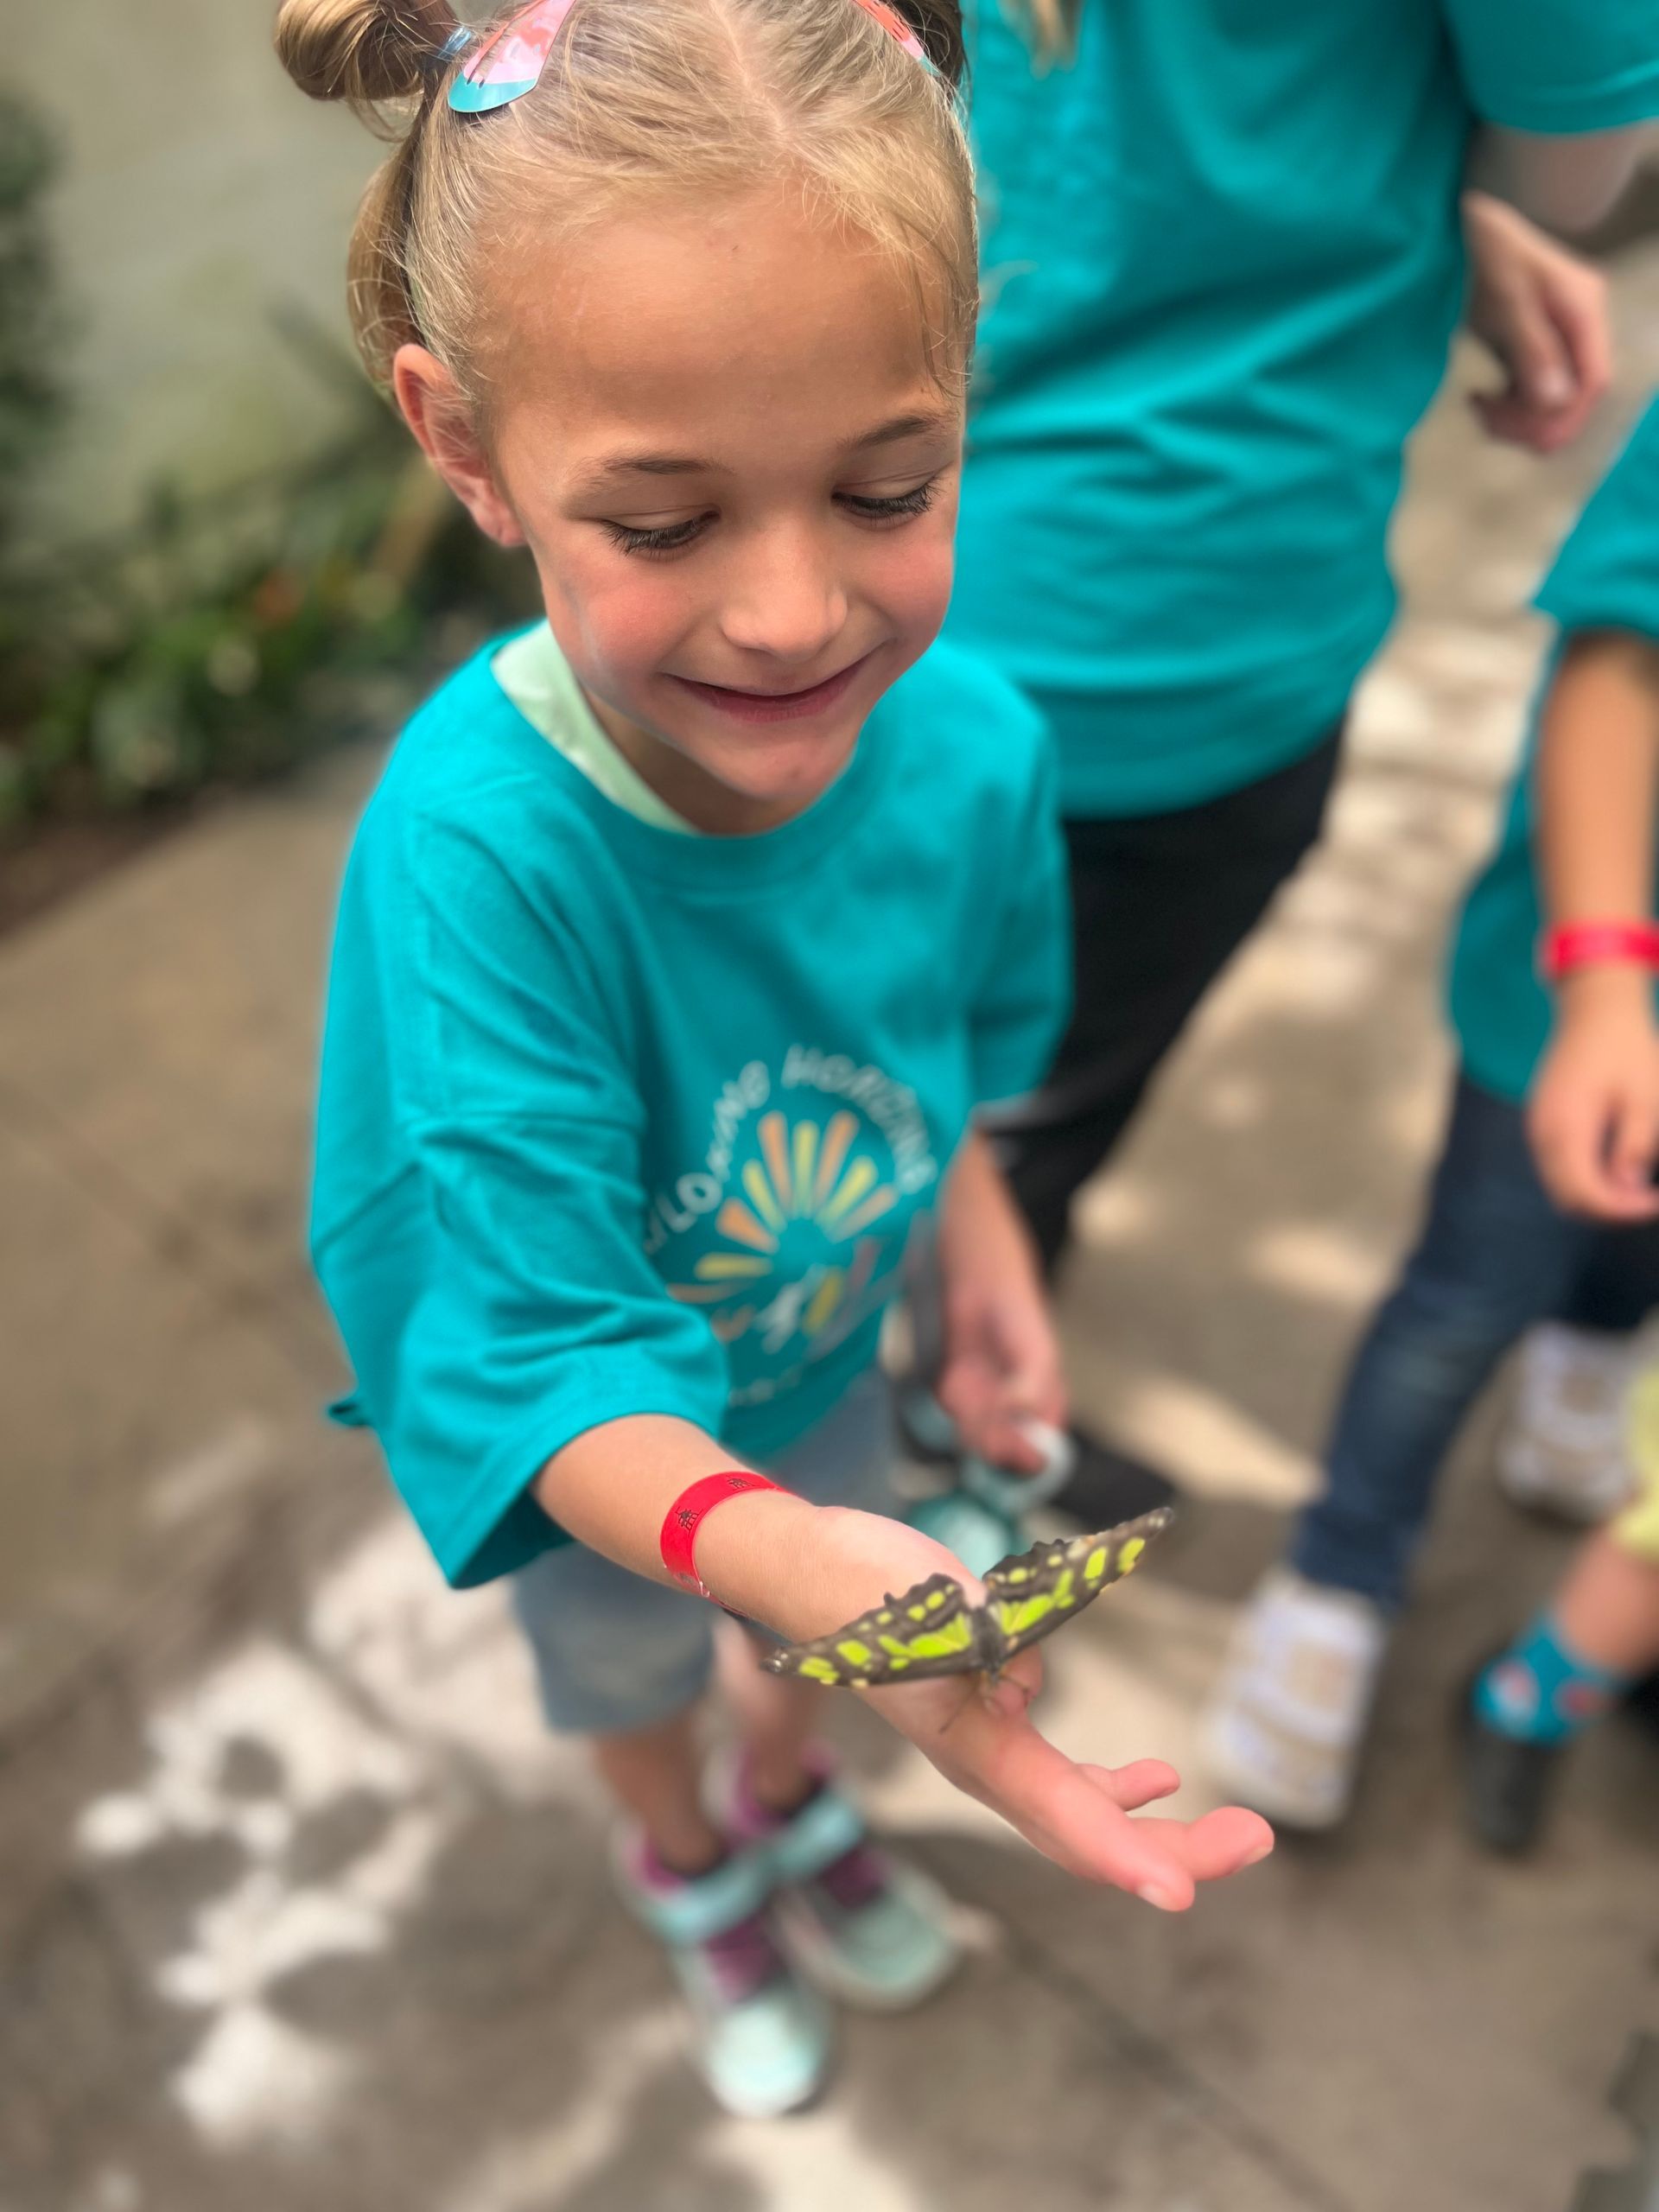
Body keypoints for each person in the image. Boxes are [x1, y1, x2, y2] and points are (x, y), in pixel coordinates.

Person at [279, 0, 1271, 2122]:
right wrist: (752, 1533)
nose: (797, 609)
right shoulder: (475, 858)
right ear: (465, 443)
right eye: (664, 523)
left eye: (885, 485)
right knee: (645, 1655)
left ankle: (794, 1777)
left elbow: (966, 1039)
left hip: (814, 1352)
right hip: (596, 1449)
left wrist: (975, 1230)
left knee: (851, 1615)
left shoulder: (985, 744)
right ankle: (692, 1843)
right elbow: (535, 1345)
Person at [938, 0, 1659, 1529]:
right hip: (1181, 633)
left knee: (919, 1089)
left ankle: (931, 1402)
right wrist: (1440, 197)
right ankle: (953, 1435)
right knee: (1014, 1126)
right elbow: (1574, 174)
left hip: (906, 570)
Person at [1205, 397, 1659, 1831]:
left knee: (1626, 1262)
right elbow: (1619, 658)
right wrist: (1602, 985)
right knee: (1469, 1288)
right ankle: (1337, 1576)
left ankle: (1581, 1386)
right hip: (1596, 987)